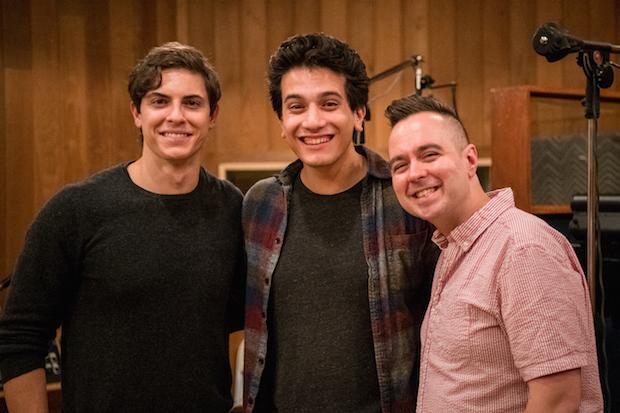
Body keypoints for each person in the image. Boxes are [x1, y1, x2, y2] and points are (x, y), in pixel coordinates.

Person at [0, 42, 245, 412]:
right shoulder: (76, 210)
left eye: (192, 103)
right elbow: (19, 339)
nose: (176, 116)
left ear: (213, 114)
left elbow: (238, 320)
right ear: (136, 112)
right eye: (159, 101)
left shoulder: (234, 208)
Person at [242, 33, 438, 413]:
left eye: (329, 104)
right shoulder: (260, 204)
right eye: (296, 107)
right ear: (281, 120)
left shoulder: (404, 199)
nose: (313, 121)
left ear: (359, 112)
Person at [386, 94, 604, 412]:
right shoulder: (454, 247)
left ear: (470, 160)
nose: (415, 173)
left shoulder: (522, 249)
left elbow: (558, 402)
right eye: (400, 165)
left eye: (429, 155)